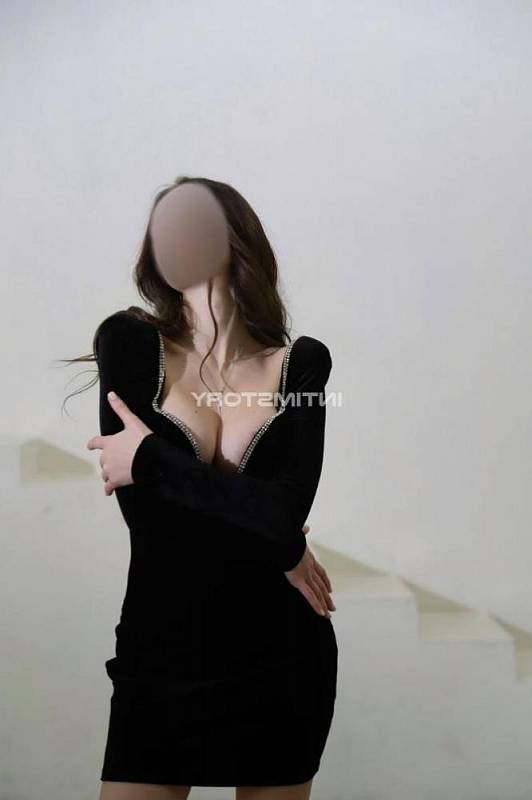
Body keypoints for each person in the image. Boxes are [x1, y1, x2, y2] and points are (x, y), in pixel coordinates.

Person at [85, 176, 338, 800]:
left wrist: (150, 457)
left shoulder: (303, 365)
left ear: (234, 235)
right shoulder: (128, 343)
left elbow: (284, 515)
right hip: (161, 653)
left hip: (281, 657)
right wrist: (276, 539)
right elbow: (154, 523)